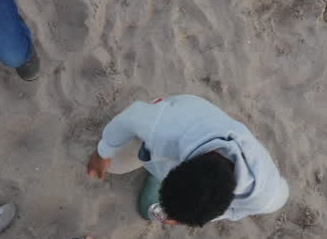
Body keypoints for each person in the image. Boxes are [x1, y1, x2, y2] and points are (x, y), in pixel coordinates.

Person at [86, 95, 288, 226]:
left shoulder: (266, 196)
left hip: (188, 146)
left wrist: (186, 217)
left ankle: (157, 175)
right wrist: (103, 153)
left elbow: (236, 211)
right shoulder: (166, 128)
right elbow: (132, 116)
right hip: (179, 111)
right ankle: (154, 171)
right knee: (115, 166)